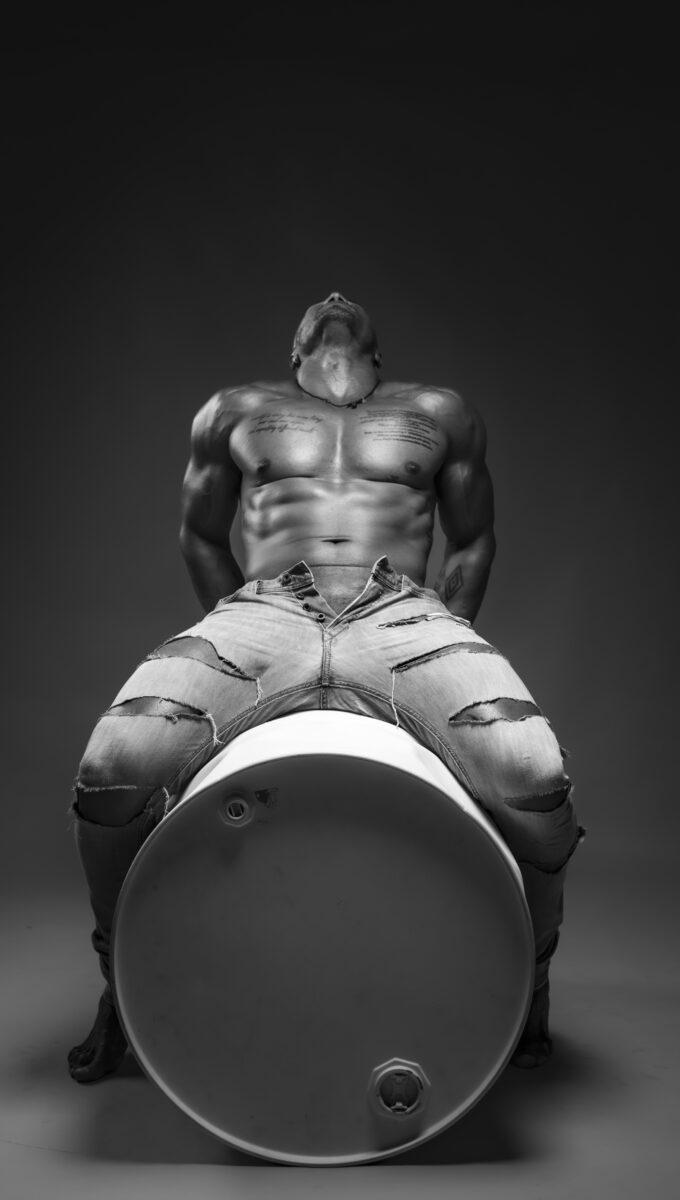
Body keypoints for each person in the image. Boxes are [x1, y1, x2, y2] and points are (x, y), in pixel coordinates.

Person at [68, 291, 583, 1083]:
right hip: (269, 606)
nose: (335, 296)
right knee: (114, 768)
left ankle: (531, 982)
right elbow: (201, 533)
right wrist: (247, 625)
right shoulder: (234, 411)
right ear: (295, 352)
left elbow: (473, 538)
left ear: (377, 353)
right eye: (320, 306)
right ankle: (119, 986)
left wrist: (442, 633)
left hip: (399, 610)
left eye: (349, 304)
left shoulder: (439, 412)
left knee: (533, 774)